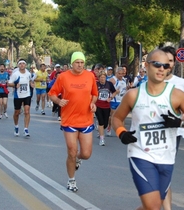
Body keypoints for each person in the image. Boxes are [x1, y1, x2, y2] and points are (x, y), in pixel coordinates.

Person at [112, 49, 184, 210]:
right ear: (146, 66)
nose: (161, 69)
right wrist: (121, 133)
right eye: (157, 64)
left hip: (166, 157)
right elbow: (117, 118)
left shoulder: (177, 95)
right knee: (153, 206)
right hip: (140, 154)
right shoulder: (133, 95)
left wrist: (178, 123)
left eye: (166, 66)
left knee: (155, 205)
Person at [48, 51, 98, 192]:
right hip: (69, 120)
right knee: (71, 151)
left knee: (86, 153)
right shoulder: (63, 77)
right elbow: (51, 93)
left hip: (86, 119)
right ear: (72, 63)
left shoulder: (90, 76)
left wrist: (93, 103)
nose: (80, 65)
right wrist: (58, 100)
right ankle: (71, 180)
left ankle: (78, 159)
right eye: (77, 62)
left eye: (82, 62)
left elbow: (95, 94)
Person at [160, 45, 184, 210]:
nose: (166, 64)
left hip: (174, 133)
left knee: (165, 173)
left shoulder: (181, 83)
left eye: (170, 61)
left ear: (174, 63)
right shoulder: (150, 82)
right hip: (153, 133)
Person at [8, 59, 34, 137]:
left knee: (27, 111)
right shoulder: (15, 74)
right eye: (20, 64)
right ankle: (16, 126)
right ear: (18, 65)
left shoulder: (28, 74)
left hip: (27, 94)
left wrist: (31, 84)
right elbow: (9, 84)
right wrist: (15, 85)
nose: (22, 65)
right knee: (17, 112)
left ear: (25, 65)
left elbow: (29, 81)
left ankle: (26, 129)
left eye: (23, 64)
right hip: (18, 95)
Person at [95, 71, 117, 146]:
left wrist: (110, 98)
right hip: (98, 105)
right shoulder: (96, 84)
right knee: (101, 121)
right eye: (101, 77)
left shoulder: (109, 84)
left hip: (106, 106)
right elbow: (92, 93)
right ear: (99, 78)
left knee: (105, 124)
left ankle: (99, 129)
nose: (102, 79)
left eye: (104, 77)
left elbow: (114, 92)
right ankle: (102, 139)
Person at [107, 67, 127, 136]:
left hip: (121, 101)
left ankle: (122, 131)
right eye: (119, 74)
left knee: (122, 117)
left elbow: (125, 90)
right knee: (113, 117)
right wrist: (114, 93)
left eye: (122, 74)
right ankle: (109, 127)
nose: (121, 75)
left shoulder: (124, 80)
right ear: (116, 73)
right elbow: (107, 89)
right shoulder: (112, 80)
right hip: (114, 100)